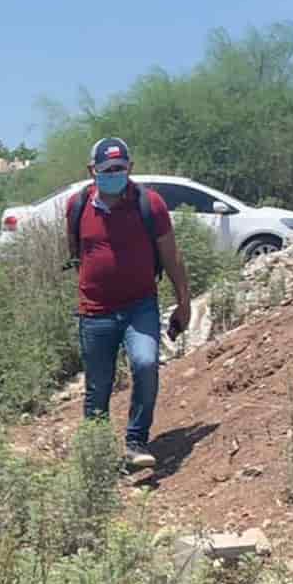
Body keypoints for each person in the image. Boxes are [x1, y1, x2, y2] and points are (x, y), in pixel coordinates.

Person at [68, 136, 191, 472]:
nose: (113, 174)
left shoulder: (149, 204)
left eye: (119, 168)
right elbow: (77, 252)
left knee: (146, 363)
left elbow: (172, 257)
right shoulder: (77, 205)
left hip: (140, 306)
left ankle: (136, 441)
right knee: (98, 386)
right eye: (106, 169)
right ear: (92, 171)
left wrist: (184, 302)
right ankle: (95, 456)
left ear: (130, 168)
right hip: (95, 312)